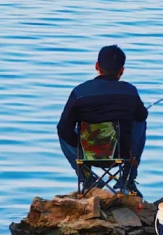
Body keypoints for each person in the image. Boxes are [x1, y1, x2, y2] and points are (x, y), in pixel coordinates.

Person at [56, 44, 147, 194]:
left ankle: (87, 177)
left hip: (87, 155)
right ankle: (128, 178)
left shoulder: (80, 92)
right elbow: (142, 115)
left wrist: (79, 144)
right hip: (121, 154)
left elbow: (63, 129)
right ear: (122, 71)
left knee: (62, 129)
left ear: (97, 66)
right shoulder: (130, 91)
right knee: (141, 122)